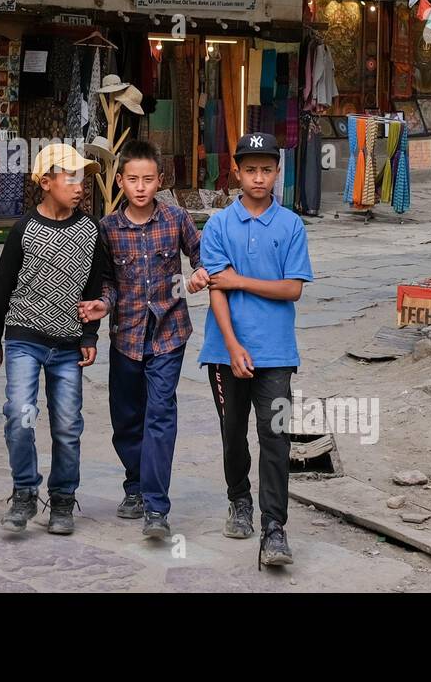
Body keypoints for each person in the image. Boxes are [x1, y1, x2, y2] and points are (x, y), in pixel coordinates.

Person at [79, 140, 209, 540]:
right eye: (132, 179)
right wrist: (103, 304)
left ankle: (156, 506)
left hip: (169, 332)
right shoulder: (107, 230)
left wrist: (202, 273)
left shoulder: (176, 218)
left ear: (160, 181)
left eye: (147, 180)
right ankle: (134, 483)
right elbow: (105, 282)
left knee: (160, 416)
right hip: (126, 335)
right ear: (120, 181)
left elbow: (201, 252)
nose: (140, 187)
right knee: (126, 420)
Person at [0, 144, 114, 536]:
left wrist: (90, 334)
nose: (80, 187)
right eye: (71, 178)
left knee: (67, 425)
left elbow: (93, 286)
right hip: (25, 339)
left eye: (84, 179)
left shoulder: (90, 229)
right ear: (45, 182)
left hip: (68, 345)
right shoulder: (24, 229)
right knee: (20, 414)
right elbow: (2, 286)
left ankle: (61, 499)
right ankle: (24, 490)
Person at [199, 132, 313, 568]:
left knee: (276, 439)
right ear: (237, 172)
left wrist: (240, 279)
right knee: (233, 435)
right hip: (224, 350)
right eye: (251, 170)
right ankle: (239, 500)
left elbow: (292, 289)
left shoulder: (291, 225)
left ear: (276, 172)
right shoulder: (219, 226)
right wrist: (231, 345)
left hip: (278, 353)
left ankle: (275, 527)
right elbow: (215, 291)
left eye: (266, 169)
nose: (259, 177)